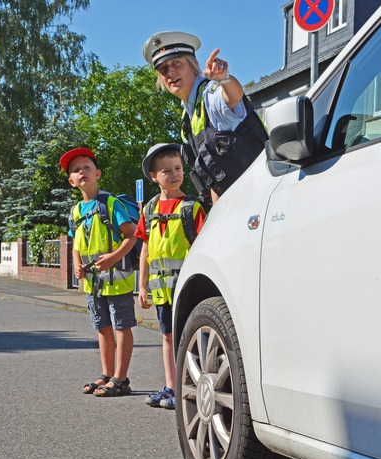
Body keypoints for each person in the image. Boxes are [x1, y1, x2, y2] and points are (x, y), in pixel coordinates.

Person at [142, 31, 268, 205]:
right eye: (163, 69)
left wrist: (224, 79)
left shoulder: (210, 94)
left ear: (193, 67)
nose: (170, 72)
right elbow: (216, 180)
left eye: (176, 63)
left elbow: (233, 97)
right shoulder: (187, 118)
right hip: (238, 205)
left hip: (264, 195)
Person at [135, 143, 206, 410]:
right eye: (166, 171)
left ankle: (189, 387)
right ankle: (171, 387)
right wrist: (141, 286)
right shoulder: (150, 209)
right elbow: (144, 249)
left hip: (187, 288)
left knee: (188, 337)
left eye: (178, 168)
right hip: (162, 289)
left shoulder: (191, 207)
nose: (175, 174)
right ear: (153, 177)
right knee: (167, 336)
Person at [61, 147, 137, 397]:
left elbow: (131, 236)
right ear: (71, 182)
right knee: (102, 326)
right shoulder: (75, 211)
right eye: (75, 170)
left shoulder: (109, 203)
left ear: (98, 174)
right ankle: (106, 374)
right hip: (94, 283)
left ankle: (121, 378)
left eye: (86, 167)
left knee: (121, 326)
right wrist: (76, 265)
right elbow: (75, 244)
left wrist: (114, 257)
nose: (81, 171)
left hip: (117, 280)